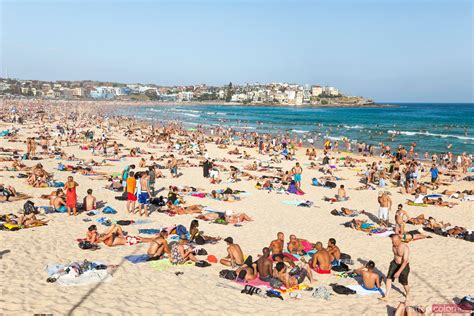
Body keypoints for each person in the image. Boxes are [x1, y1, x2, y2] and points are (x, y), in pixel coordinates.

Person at [381, 234, 410, 301]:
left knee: (404, 282)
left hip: (403, 266)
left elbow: (405, 261)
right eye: (392, 242)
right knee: (388, 278)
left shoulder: (405, 247)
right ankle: (386, 296)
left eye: (395, 242)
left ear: (399, 240)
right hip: (394, 263)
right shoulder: (394, 245)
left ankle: (408, 294)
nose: (393, 243)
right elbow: (396, 255)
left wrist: (398, 272)